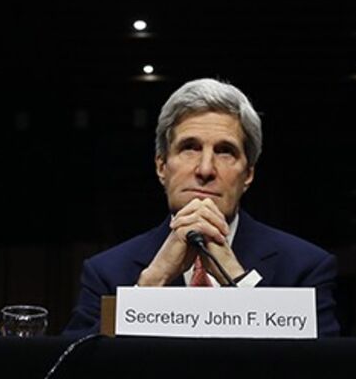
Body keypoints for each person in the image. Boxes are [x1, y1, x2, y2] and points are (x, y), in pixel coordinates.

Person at [63, 78, 340, 337]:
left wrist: (239, 282)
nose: (205, 169)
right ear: (162, 167)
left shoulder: (306, 269)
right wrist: (150, 285)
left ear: (248, 175)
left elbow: (319, 368)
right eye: (190, 148)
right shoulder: (107, 272)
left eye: (225, 151)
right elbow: (75, 366)